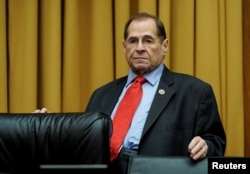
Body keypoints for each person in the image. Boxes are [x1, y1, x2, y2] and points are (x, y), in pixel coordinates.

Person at [35, 12, 226, 174]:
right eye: (133, 41)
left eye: (148, 40)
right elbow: (83, 146)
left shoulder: (194, 92)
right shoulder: (101, 95)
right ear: (124, 46)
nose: (140, 48)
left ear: (165, 46)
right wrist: (50, 130)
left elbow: (215, 144)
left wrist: (206, 146)